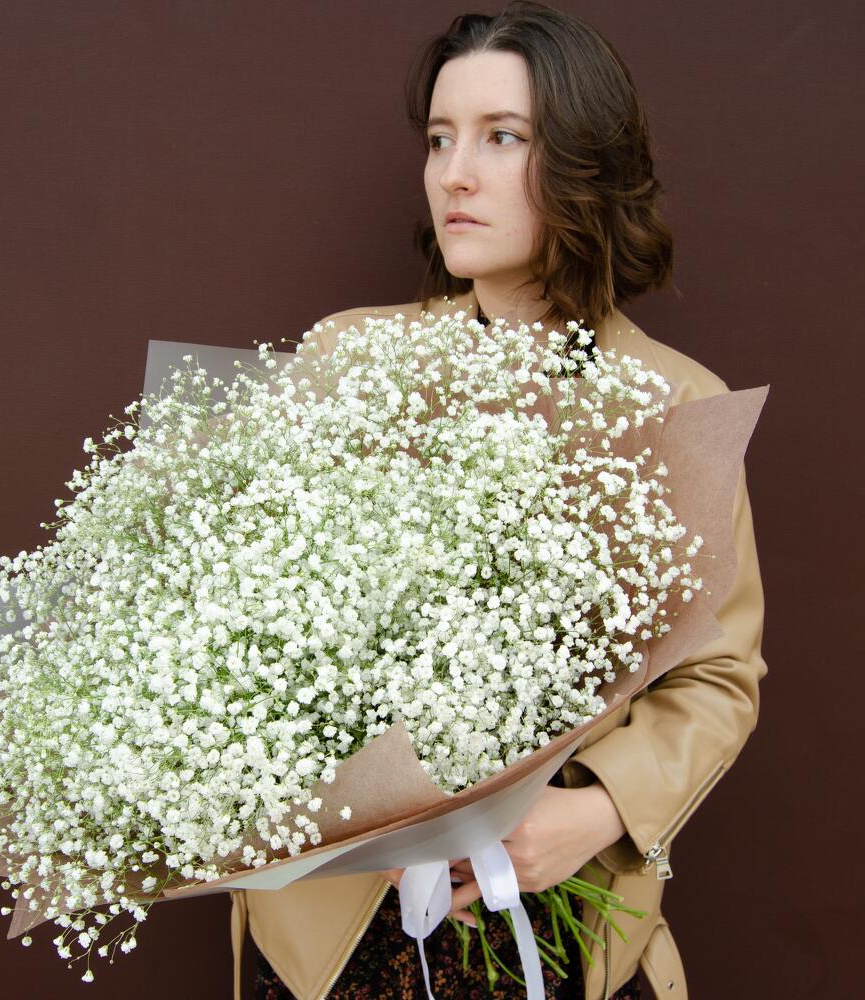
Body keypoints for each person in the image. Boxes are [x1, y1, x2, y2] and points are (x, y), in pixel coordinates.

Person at [235, 3, 767, 998]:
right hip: (335, 938)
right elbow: (235, 639)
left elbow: (715, 678)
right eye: (440, 139)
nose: (454, 174)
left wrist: (597, 811)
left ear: (585, 162)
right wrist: (351, 812)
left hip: (560, 927)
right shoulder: (348, 361)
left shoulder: (677, 406)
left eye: (501, 137)